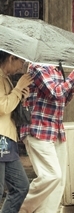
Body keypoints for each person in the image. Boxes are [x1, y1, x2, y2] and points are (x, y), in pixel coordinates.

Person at [19, 63, 74, 213]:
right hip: (38, 128)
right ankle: (18, 207)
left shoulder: (57, 69)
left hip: (56, 130)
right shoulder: (37, 67)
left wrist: (73, 84)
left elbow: (62, 101)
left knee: (58, 183)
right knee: (51, 175)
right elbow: (55, 93)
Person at [0, 51, 33, 213]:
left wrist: (21, 96)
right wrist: (18, 89)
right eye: (21, 61)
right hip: (1, 137)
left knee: (21, 186)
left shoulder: (5, 78)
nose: (22, 66)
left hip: (8, 138)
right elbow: (2, 107)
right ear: (11, 58)